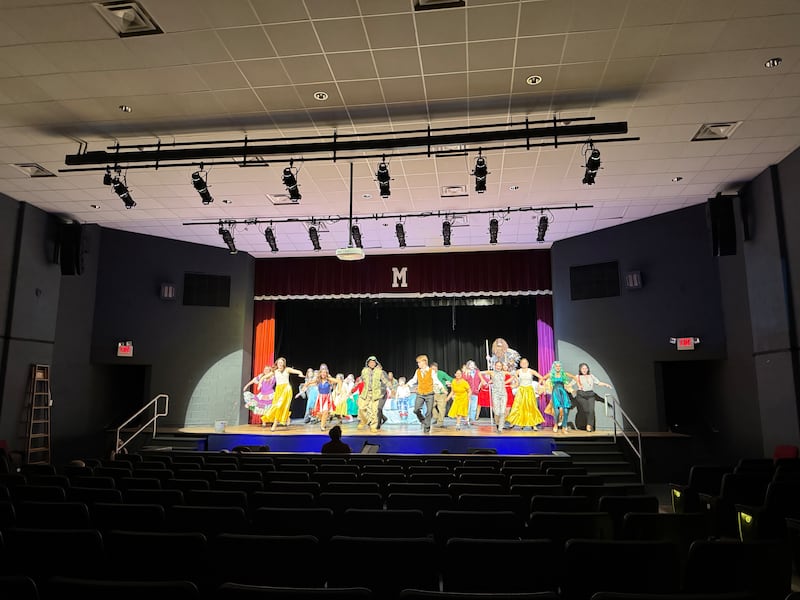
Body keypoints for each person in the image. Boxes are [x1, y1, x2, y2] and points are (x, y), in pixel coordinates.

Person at [262, 357, 305, 431]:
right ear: (277, 364)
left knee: (279, 406)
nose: (280, 364)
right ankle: (287, 418)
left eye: (282, 362)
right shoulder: (275, 371)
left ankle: (274, 425)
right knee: (277, 406)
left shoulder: (287, 369)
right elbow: (266, 376)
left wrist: (300, 374)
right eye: (279, 362)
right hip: (278, 390)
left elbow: (297, 371)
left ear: (283, 364)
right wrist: (260, 381)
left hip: (286, 389)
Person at [506, 357, 545, 430]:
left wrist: (539, 385)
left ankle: (533, 424)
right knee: (518, 407)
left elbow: (541, 377)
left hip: (529, 390)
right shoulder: (518, 371)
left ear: (528, 363)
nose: (524, 364)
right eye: (522, 363)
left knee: (531, 407)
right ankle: (513, 423)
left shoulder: (531, 371)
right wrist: (504, 383)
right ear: (520, 364)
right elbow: (512, 378)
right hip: (521, 390)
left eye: (525, 362)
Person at [573, 362, 612, 432]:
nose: (584, 370)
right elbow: (570, 384)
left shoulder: (591, 376)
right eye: (583, 368)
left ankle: (589, 425)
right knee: (586, 410)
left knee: (591, 411)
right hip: (581, 395)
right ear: (580, 370)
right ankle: (586, 424)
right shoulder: (577, 377)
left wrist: (606, 384)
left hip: (590, 394)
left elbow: (598, 383)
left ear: (588, 369)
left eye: (586, 368)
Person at [540, 360, 576, 433]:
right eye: (556, 366)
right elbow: (542, 379)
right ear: (554, 367)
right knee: (556, 412)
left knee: (565, 411)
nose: (558, 367)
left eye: (559, 366)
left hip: (563, 393)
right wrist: (543, 387)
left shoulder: (564, 374)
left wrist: (574, 385)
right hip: (555, 393)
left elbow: (574, 377)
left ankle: (564, 426)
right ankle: (555, 424)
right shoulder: (551, 374)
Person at [482, 360, 514, 433]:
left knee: (502, 412)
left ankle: (500, 428)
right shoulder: (491, 372)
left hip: (503, 393)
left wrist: (507, 382)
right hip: (495, 394)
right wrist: (483, 380)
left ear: (501, 367)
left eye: (500, 366)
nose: (498, 367)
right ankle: (497, 423)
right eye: (497, 366)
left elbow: (514, 375)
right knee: (496, 412)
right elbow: (479, 373)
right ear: (495, 366)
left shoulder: (504, 373)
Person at [359, 356, 389, 433]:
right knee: (361, 408)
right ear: (368, 363)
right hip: (366, 393)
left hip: (375, 394)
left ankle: (373, 426)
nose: (372, 364)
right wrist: (352, 389)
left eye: (373, 362)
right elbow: (360, 380)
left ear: (376, 363)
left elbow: (385, 381)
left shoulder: (379, 372)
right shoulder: (364, 371)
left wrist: (392, 389)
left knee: (374, 411)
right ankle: (364, 421)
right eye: (370, 362)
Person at [407, 354, 435, 434]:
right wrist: (408, 384)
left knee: (429, 411)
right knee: (416, 410)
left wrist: (441, 387)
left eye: (419, 362)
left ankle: (426, 429)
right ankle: (422, 420)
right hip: (420, 393)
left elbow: (435, 380)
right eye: (418, 362)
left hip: (429, 394)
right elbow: (414, 379)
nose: (418, 364)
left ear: (424, 362)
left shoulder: (431, 371)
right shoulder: (418, 371)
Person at [310, 363, 340, 431]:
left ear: (326, 373)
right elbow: (309, 383)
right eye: (322, 372)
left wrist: (339, 390)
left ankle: (322, 426)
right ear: (320, 373)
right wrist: (304, 387)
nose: (323, 374)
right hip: (320, 398)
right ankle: (324, 420)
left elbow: (339, 381)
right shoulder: (318, 380)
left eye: (324, 372)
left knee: (325, 411)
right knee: (318, 414)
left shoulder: (329, 379)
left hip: (327, 398)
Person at [462, 360, 486, 425]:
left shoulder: (477, 372)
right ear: (468, 366)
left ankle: (472, 419)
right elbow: (463, 382)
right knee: (468, 407)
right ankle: (467, 420)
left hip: (475, 392)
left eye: (473, 365)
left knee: (474, 407)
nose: (472, 366)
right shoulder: (465, 373)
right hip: (468, 393)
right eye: (470, 365)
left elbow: (483, 379)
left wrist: (479, 386)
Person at [430, 362, 453, 428]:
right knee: (431, 406)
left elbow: (450, 379)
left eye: (435, 369)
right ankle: (436, 417)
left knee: (441, 408)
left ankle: (440, 422)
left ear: (437, 368)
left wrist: (449, 383)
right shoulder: (429, 374)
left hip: (442, 393)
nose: (434, 370)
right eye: (432, 369)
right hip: (433, 393)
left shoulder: (441, 373)